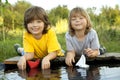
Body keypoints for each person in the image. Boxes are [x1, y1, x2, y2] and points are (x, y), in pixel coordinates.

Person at [16, 6, 64, 70]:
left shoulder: (50, 32)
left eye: (38, 21)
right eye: (31, 22)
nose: (35, 25)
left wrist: (46, 58)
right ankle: (18, 49)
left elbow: (54, 53)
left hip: (52, 53)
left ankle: (20, 49)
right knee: (23, 53)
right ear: (26, 24)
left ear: (45, 23)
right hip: (35, 54)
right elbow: (30, 55)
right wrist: (23, 58)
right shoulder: (26, 35)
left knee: (60, 50)